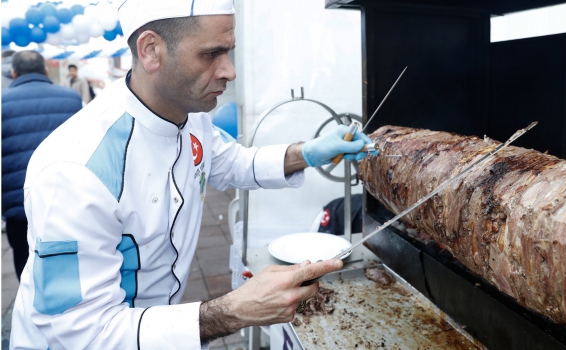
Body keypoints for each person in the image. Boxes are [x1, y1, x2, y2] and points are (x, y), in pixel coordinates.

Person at [9, 1, 375, 349]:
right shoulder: (74, 171)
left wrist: (307, 152)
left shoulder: (190, 111)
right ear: (151, 50)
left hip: (156, 329)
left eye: (228, 51)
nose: (229, 71)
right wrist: (232, 311)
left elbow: (232, 163)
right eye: (211, 53)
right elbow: (82, 334)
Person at [1, 51, 82, 282]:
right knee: (68, 259)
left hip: (19, 204)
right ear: (46, 71)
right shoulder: (71, 98)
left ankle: (31, 313)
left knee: (24, 261)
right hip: (65, 198)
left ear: (14, 73)